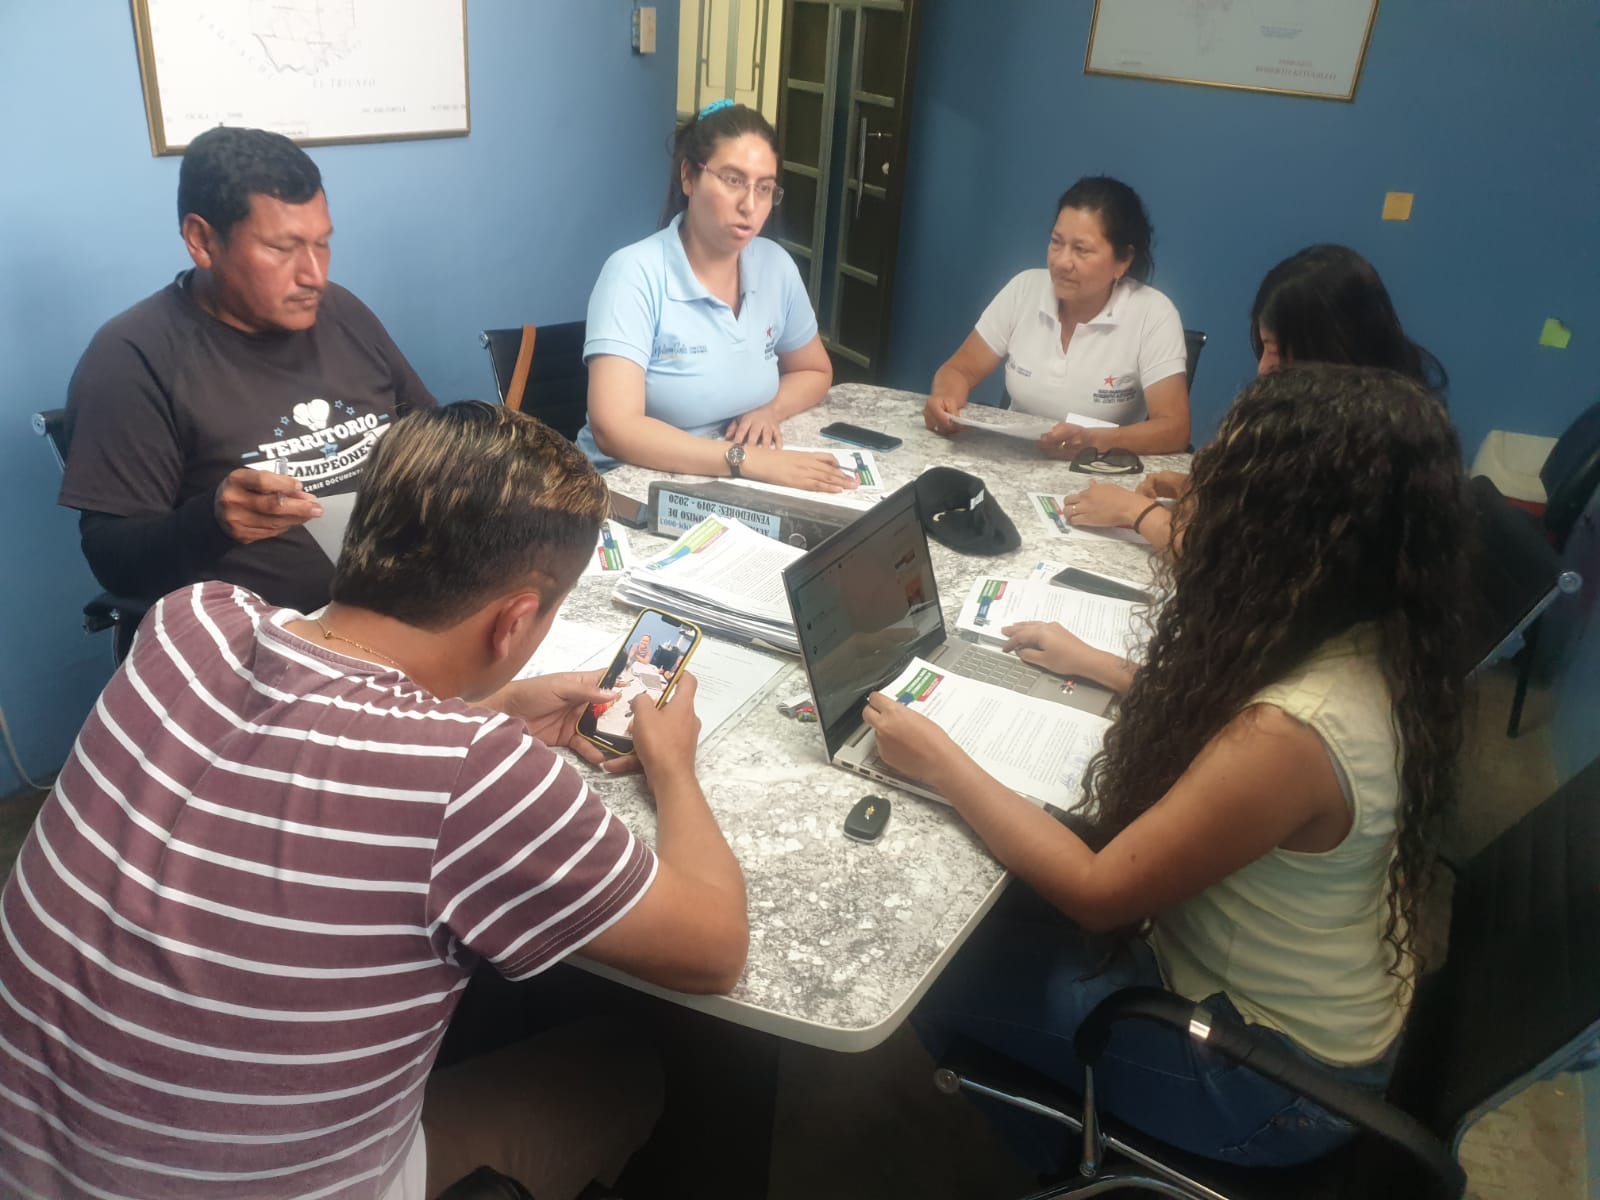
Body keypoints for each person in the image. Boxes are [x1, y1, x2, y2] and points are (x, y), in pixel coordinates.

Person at [0, 402, 749, 1200]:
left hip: (29, 1163)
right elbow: (714, 950)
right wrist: (672, 764)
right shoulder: (474, 774)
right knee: (628, 1062)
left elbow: (298, 739)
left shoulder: (190, 621)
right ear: (516, 620)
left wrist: (491, 707)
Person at [868, 365, 1468, 1169]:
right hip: (1296, 1013)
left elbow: (1096, 893)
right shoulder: (1368, 634)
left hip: (1269, 1082)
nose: (1200, 495)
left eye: (1227, 483)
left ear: (1289, 527)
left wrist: (942, 760)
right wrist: (1104, 667)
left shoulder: (1298, 731)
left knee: (914, 972)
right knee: (992, 912)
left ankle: (1082, 1165)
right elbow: (1236, 737)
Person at [59, 125, 438, 615]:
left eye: (322, 243)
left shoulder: (341, 311)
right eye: (282, 248)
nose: (314, 275)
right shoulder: (132, 357)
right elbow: (114, 563)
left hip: (403, 603)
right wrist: (212, 522)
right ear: (202, 241)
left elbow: (434, 440)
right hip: (264, 635)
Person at [1067, 243, 1447, 550]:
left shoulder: (1350, 446)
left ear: (1331, 352)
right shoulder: (1394, 411)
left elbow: (1225, 559)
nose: (1264, 368)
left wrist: (1135, 512)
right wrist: (1198, 489)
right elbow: (1268, 511)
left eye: (1277, 352)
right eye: (1263, 348)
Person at [580, 100, 856, 494]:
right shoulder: (633, 273)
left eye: (764, 188)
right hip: (623, 487)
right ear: (689, 177)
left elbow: (814, 371)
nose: (750, 205)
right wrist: (746, 460)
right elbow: (614, 428)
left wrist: (769, 410)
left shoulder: (775, 266)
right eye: (732, 180)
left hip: (724, 479)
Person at [923, 176, 1191, 456]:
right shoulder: (1023, 289)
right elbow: (959, 370)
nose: (1062, 262)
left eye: (1081, 250)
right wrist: (944, 400)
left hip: (1099, 467)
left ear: (1122, 261)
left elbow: (1174, 429)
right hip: (1015, 458)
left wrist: (1092, 440)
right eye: (1056, 242)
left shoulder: (1153, 313)